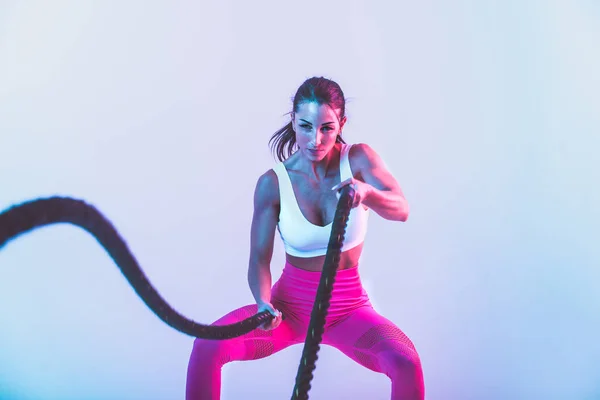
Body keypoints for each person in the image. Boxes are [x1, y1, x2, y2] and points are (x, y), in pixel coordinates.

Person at [185, 77, 425, 399]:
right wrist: (263, 303)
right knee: (207, 347)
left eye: (327, 127)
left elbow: (402, 209)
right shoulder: (272, 184)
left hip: (348, 309)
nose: (315, 139)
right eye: (306, 126)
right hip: (290, 310)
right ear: (293, 121)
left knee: (406, 363)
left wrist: (367, 192)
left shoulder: (358, 160)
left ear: (342, 123)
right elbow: (259, 259)